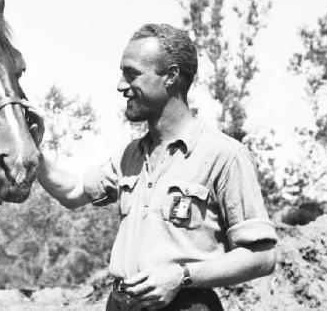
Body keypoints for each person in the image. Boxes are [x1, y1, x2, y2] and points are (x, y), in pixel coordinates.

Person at [35, 23, 277, 311]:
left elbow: (262, 256)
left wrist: (181, 276)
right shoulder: (130, 156)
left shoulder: (224, 155)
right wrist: (30, 147)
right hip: (120, 304)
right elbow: (73, 192)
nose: (120, 85)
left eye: (132, 74)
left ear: (171, 76)